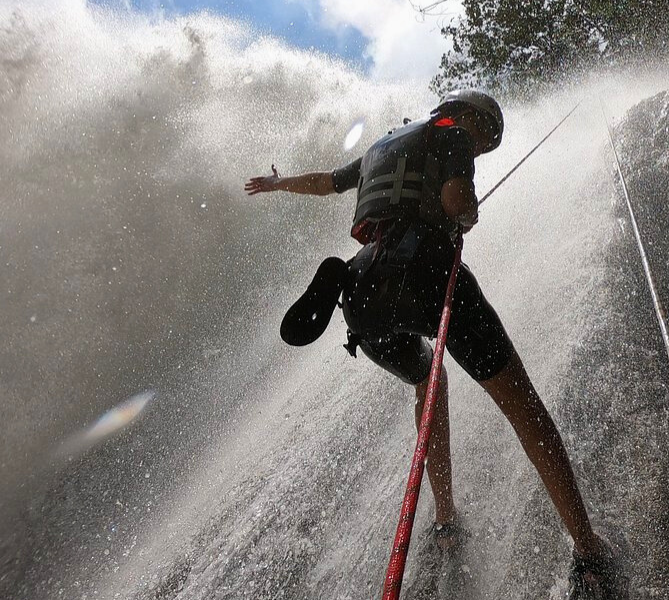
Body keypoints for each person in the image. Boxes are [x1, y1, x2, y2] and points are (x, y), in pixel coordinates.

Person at [245, 90, 620, 599]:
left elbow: (327, 183)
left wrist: (275, 183)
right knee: (523, 406)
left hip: (360, 293)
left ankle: (445, 520)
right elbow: (457, 201)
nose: (483, 149)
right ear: (467, 115)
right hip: (425, 274)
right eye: (487, 137)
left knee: (427, 375)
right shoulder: (451, 134)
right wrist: (465, 217)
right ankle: (588, 545)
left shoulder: (383, 144)